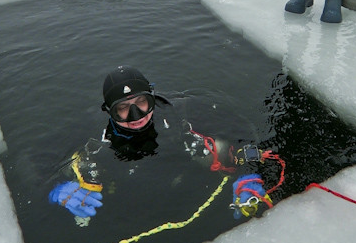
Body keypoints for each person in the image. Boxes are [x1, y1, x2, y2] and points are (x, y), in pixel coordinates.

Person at [48, 65, 271, 224]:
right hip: (120, 204)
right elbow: (34, 159)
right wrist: (55, 188)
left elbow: (241, 128)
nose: (136, 115)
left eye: (142, 103)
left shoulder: (179, 110)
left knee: (219, 146)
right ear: (109, 111)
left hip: (184, 188)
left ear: (152, 98)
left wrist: (249, 172)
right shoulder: (89, 131)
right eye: (123, 108)